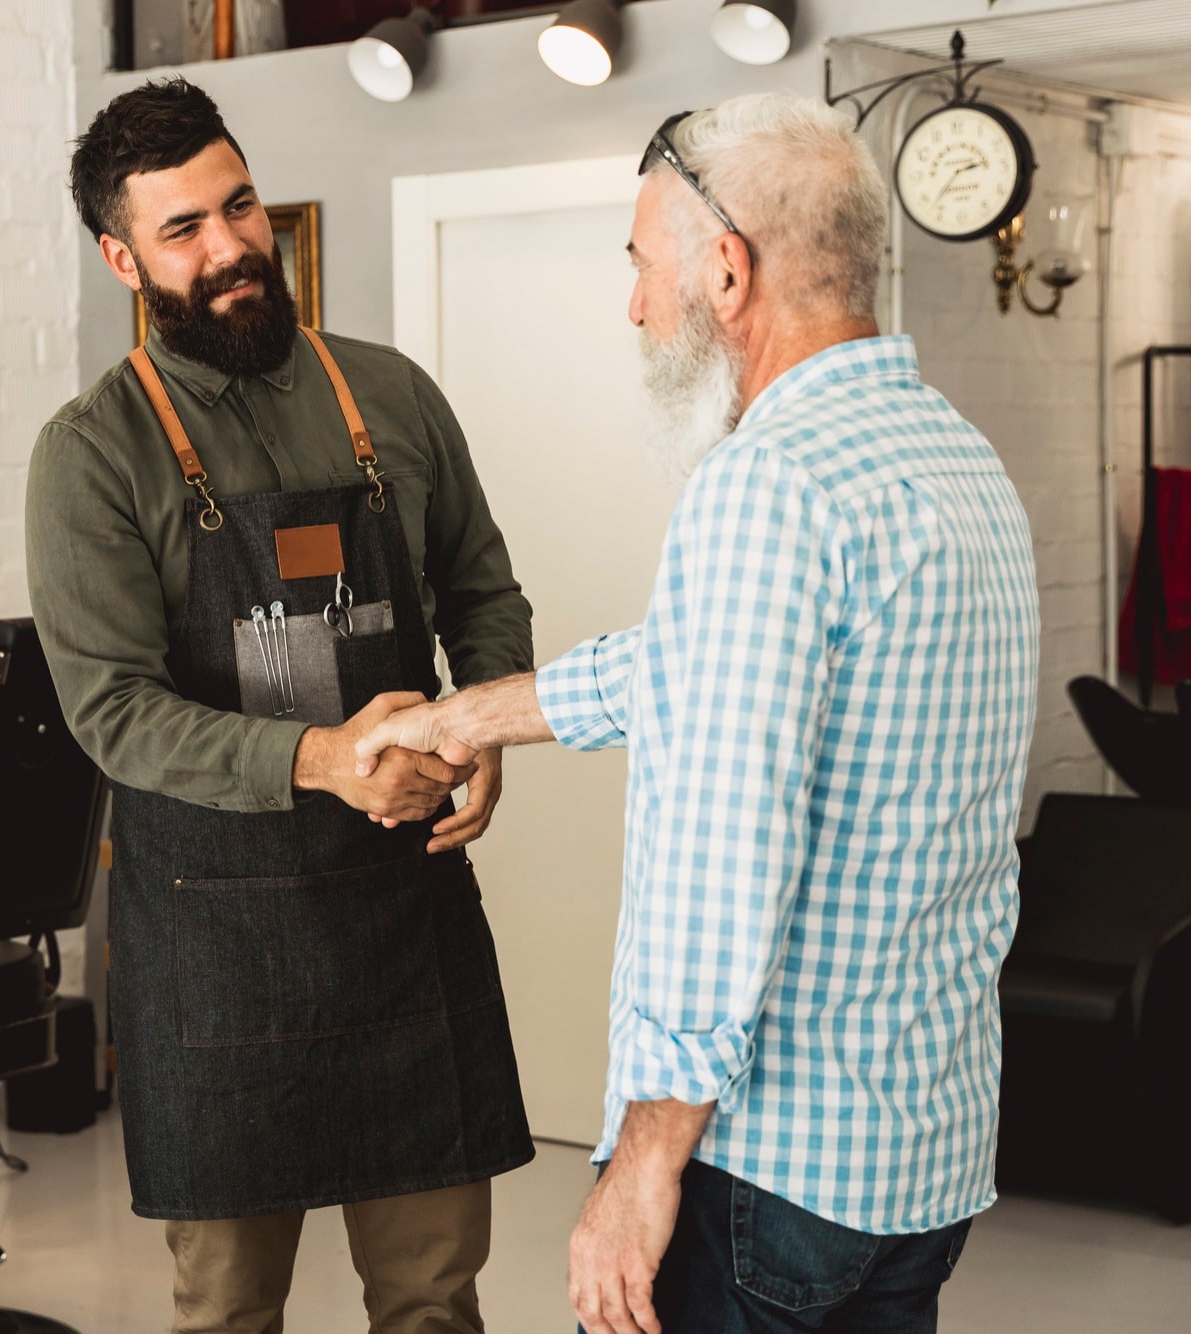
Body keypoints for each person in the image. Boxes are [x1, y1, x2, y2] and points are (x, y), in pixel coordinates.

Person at [356, 93, 1040, 1334]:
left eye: (638, 264)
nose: (632, 305)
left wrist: (642, 1158)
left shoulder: (764, 488)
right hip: (917, 1155)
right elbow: (699, 668)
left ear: (725, 267)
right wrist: (468, 718)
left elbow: (721, 859)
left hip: (761, 1170)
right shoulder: (955, 461)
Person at [26, 77, 536, 1334]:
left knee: (432, 1297)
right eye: (183, 229)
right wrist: (325, 756)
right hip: (217, 950)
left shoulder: (391, 393)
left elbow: (483, 590)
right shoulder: (90, 452)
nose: (230, 248)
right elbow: (114, 712)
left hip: (402, 914)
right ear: (120, 256)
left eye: (238, 205)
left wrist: (475, 731)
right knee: (229, 1312)